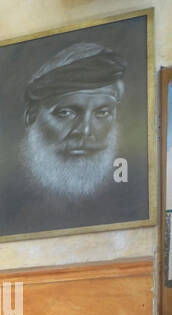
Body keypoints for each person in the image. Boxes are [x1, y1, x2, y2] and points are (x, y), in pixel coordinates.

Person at [10, 41, 136, 230]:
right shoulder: (8, 197)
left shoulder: (131, 195)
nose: (85, 131)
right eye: (66, 113)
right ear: (31, 116)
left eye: (102, 113)